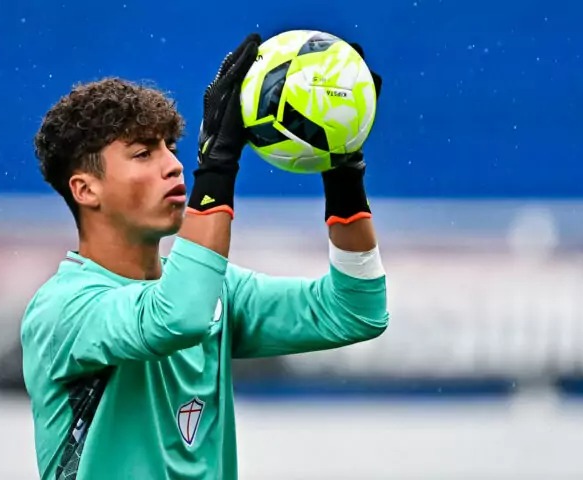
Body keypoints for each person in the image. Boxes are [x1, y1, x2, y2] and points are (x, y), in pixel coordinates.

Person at [20, 33, 388, 480]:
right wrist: (217, 166)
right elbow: (177, 317)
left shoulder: (216, 291)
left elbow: (354, 311)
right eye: (143, 153)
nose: (174, 166)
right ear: (85, 189)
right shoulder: (63, 309)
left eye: (171, 149)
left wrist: (342, 169)